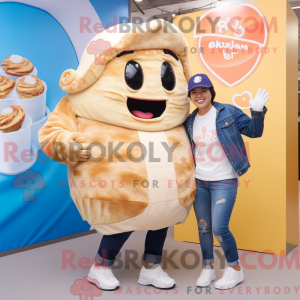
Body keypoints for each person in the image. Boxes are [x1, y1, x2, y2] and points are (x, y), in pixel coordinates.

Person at [183, 74, 269, 290]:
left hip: (224, 181)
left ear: (211, 91)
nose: (199, 95)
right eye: (194, 92)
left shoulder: (228, 112)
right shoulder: (190, 121)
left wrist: (257, 111)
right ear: (190, 96)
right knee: (204, 227)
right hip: (200, 182)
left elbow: (254, 132)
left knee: (220, 228)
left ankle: (235, 269)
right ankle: (208, 267)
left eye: (203, 90)